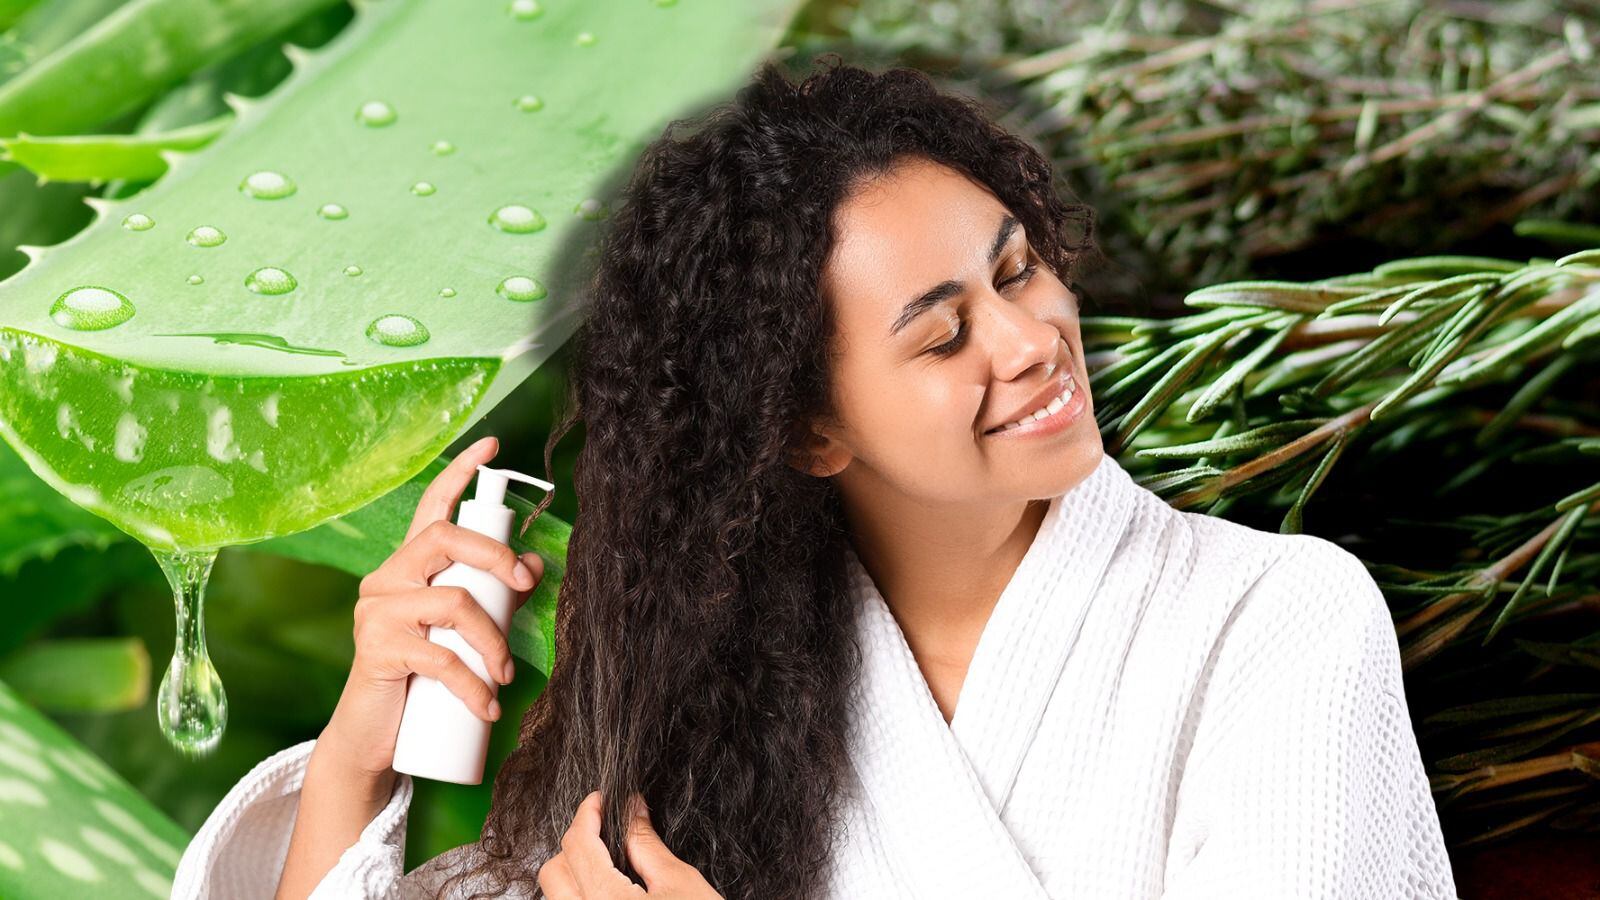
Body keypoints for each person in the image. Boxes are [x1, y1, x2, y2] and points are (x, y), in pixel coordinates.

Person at [171, 55, 1460, 900]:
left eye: (1017, 271)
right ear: (809, 432)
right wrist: (358, 758)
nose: (1031, 342)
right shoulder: (721, 708)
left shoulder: (1274, 619)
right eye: (942, 333)